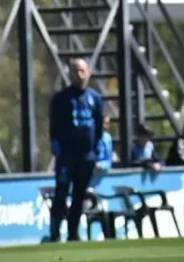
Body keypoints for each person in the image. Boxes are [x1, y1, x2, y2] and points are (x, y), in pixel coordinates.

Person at [48, 58, 105, 242]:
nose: (79, 74)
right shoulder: (61, 99)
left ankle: (73, 232)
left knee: (79, 196)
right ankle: (55, 232)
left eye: (82, 70)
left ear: (88, 72)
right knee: (62, 192)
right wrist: (55, 144)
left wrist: (96, 150)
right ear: (70, 74)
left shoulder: (94, 98)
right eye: (75, 71)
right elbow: (54, 126)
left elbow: (98, 126)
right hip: (66, 156)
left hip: (86, 157)